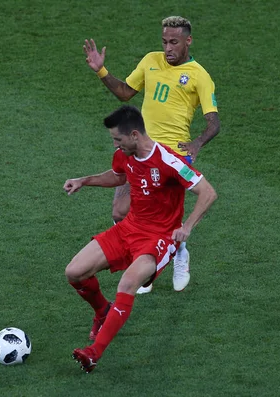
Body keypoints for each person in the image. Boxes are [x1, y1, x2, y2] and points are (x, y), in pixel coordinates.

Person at [64, 105, 217, 373]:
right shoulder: (125, 154)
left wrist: (188, 227)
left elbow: (208, 193)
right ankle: (103, 311)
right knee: (74, 272)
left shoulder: (169, 161)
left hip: (159, 238)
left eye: (117, 139)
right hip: (129, 229)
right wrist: (84, 180)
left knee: (128, 282)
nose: (115, 144)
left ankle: (94, 353)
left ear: (134, 135)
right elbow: (118, 175)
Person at [83, 15, 220, 293]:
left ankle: (178, 251)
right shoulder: (150, 61)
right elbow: (124, 93)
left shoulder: (200, 76)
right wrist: (101, 70)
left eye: (174, 42)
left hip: (173, 156)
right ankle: (144, 259)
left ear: (188, 41)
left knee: (164, 218)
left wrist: (197, 144)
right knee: (120, 211)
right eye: (164, 42)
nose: (168, 48)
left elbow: (213, 122)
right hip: (141, 149)